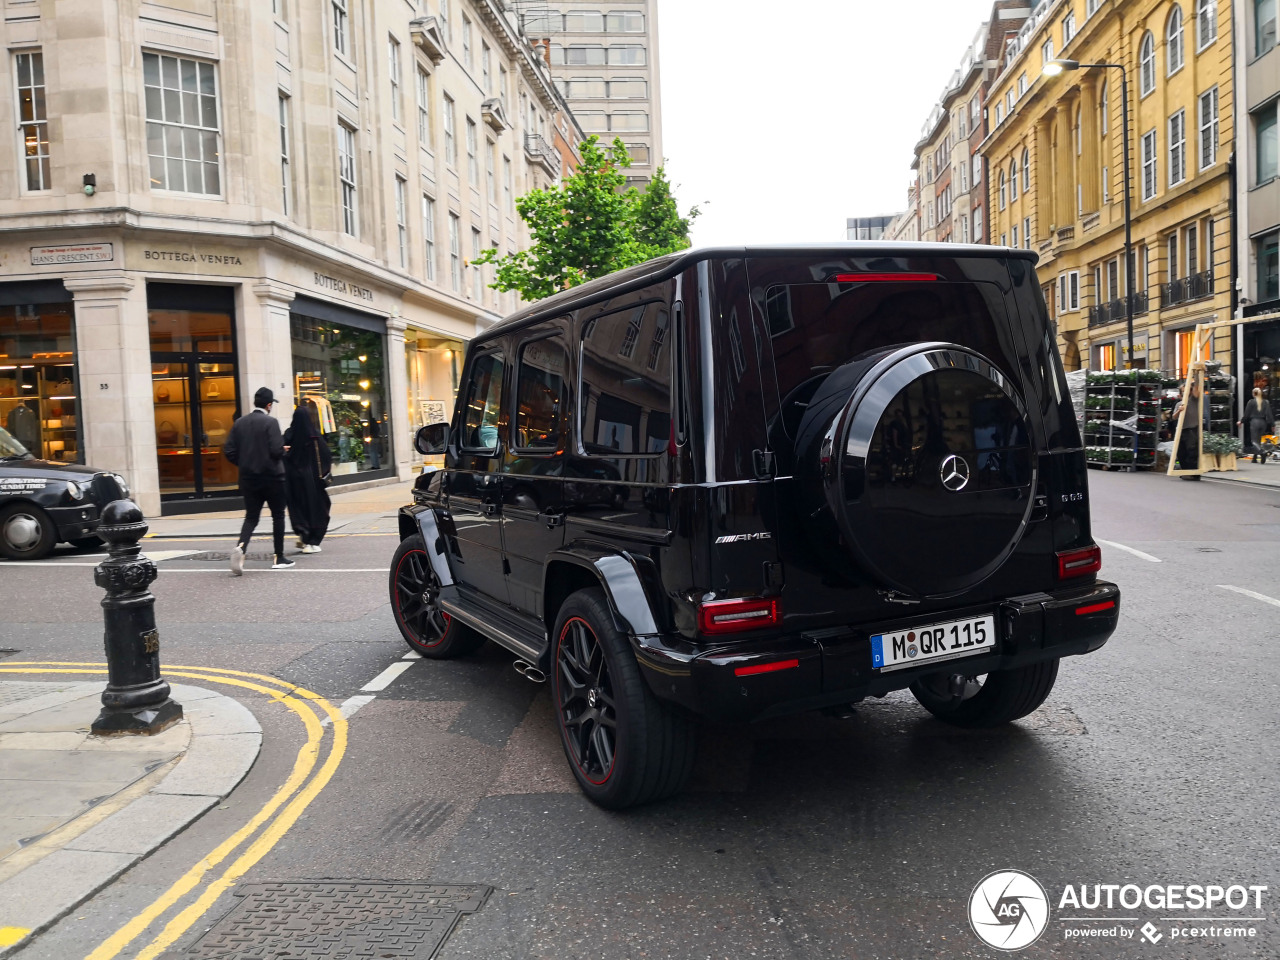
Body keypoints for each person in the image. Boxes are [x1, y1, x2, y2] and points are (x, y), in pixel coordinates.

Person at [223, 387, 294, 573]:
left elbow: (229, 451)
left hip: (248, 478)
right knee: (278, 515)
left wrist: (244, 463)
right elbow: (276, 450)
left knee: (251, 517)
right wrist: (284, 450)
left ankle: (241, 547)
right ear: (269, 405)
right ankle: (279, 557)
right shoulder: (270, 422)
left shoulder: (239, 423)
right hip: (272, 478)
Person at [284, 401, 332, 553]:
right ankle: (314, 541)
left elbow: (280, 453)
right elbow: (326, 456)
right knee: (317, 509)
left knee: (299, 509)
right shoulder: (315, 436)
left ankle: (304, 536)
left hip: (294, 481)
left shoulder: (289, 435)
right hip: (313, 482)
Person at [1238, 387, 1275, 464]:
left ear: (1253, 394)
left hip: (1254, 422)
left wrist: (1241, 421)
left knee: (1254, 441)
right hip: (1263, 422)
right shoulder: (1266, 402)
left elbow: (1247, 414)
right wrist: (1272, 425)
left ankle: (1262, 452)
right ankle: (1255, 458)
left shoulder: (1251, 402)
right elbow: (1269, 414)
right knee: (1258, 440)